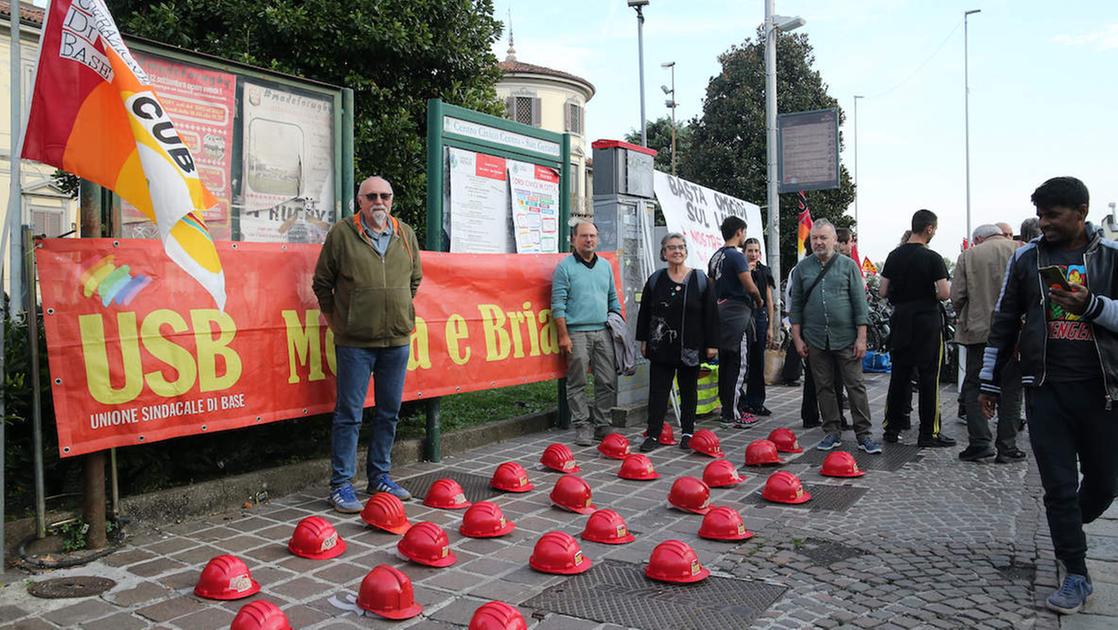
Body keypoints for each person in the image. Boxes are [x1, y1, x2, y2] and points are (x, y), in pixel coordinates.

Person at [980, 177, 1118, 615]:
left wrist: (1091, 305)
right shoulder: (1026, 258)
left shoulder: (1112, 258)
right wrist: (988, 381)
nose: (1043, 224)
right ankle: (1076, 571)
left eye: (1053, 216)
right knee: (1058, 486)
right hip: (1046, 391)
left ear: (1081, 211)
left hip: (1104, 393)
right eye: (1039, 215)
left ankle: (1068, 527)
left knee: (1106, 482)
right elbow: (1004, 321)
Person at [313, 176, 422, 512]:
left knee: (389, 413)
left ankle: (380, 477)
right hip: (355, 343)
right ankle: (341, 484)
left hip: (397, 341)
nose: (379, 201)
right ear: (359, 201)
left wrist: (398, 310)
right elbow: (322, 284)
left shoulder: (405, 234)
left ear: (392, 200)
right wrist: (339, 324)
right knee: (349, 415)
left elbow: (414, 279)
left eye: (385, 196)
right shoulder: (341, 234)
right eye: (371, 195)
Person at [789, 220, 881, 454]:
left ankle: (864, 435)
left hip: (847, 338)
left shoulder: (848, 266)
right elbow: (796, 306)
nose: (818, 242)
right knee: (824, 387)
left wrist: (861, 338)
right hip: (815, 338)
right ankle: (832, 431)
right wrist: (797, 339)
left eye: (823, 238)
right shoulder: (802, 269)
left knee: (855, 386)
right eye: (814, 238)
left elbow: (860, 305)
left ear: (833, 240)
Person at [637, 233, 719, 452]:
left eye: (681, 247)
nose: (677, 251)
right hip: (660, 346)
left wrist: (712, 344)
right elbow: (645, 311)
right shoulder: (656, 280)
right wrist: (643, 339)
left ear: (685, 251)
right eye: (671, 248)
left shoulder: (699, 279)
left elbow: (711, 314)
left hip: (689, 346)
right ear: (664, 253)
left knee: (688, 390)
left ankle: (687, 432)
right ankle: (653, 434)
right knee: (658, 391)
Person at [879, 210, 953, 447]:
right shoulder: (933, 258)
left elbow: (882, 291)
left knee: (899, 375)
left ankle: (892, 428)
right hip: (926, 321)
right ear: (929, 229)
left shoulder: (893, 255)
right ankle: (927, 433)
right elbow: (944, 293)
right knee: (929, 377)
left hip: (901, 319)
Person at [953, 224, 1026, 463]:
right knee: (1012, 389)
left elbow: (957, 296)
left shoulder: (968, 255)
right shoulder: (1020, 250)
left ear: (977, 238)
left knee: (975, 384)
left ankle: (980, 442)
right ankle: (1007, 446)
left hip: (979, 331)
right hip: (1015, 333)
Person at [552, 220, 622, 446]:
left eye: (592, 236)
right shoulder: (565, 268)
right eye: (583, 236)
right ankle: (582, 425)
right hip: (576, 333)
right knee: (577, 381)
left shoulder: (605, 266)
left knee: (607, 380)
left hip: (603, 331)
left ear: (598, 238)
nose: (589, 240)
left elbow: (613, 298)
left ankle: (602, 423)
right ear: (574, 240)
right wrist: (563, 335)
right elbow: (558, 304)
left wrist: (617, 323)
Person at [707, 217, 763, 429]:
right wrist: (758, 301)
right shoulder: (736, 257)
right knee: (739, 364)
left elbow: (710, 287)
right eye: (744, 232)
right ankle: (734, 412)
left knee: (726, 365)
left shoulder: (716, 256)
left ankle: (727, 410)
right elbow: (749, 285)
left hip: (720, 314)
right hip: (738, 315)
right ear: (739, 232)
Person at [742, 237, 776, 416]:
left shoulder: (764, 271)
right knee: (742, 362)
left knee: (758, 361)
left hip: (760, 317)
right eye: (750, 251)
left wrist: (771, 326)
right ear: (744, 252)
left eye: (756, 251)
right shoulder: (739, 270)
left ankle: (757, 402)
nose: (753, 254)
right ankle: (741, 402)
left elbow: (769, 300)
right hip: (742, 317)